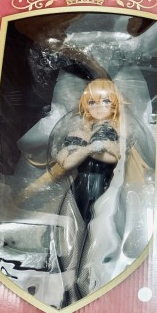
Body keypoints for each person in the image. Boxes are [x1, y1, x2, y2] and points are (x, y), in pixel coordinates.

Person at [55, 79, 123, 223]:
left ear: (115, 103)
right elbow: (66, 164)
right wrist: (88, 149)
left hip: (104, 183)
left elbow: (116, 157)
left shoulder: (116, 129)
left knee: (98, 222)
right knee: (72, 222)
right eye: (92, 102)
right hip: (79, 184)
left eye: (105, 101)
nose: (98, 106)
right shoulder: (80, 132)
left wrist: (88, 150)